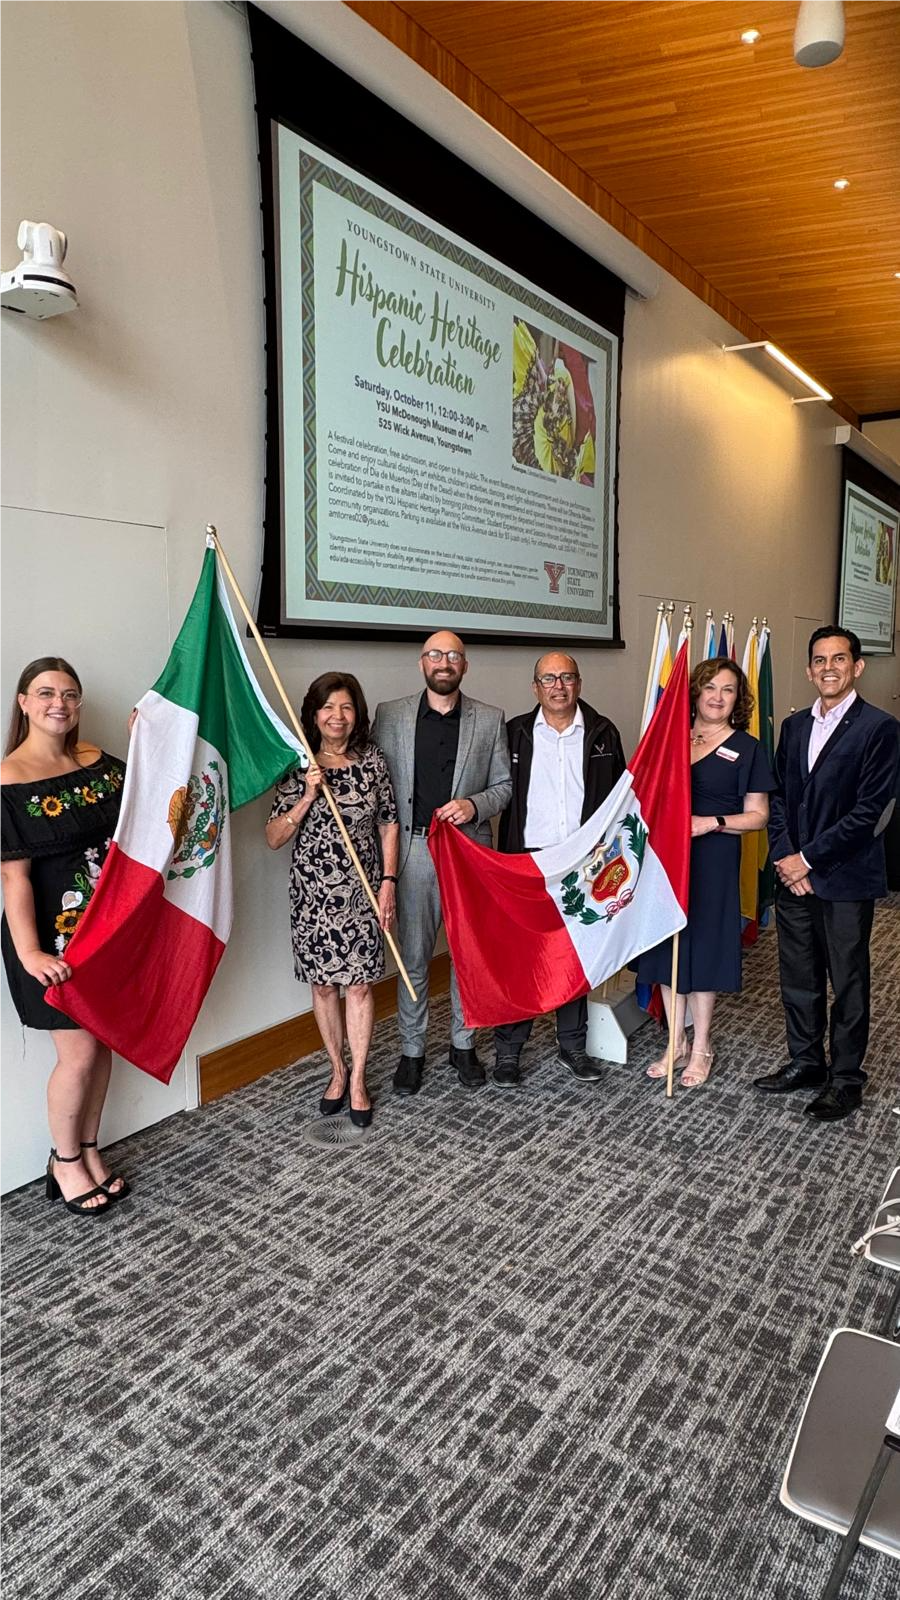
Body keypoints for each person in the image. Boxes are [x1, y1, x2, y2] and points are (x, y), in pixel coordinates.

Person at [754, 627, 900, 1121]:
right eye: (819, 660)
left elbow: (870, 813)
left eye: (839, 659)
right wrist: (786, 858)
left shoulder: (880, 728)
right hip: (793, 878)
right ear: (809, 669)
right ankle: (806, 1062)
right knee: (799, 977)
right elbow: (778, 798)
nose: (828, 668)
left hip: (845, 878)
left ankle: (846, 1080)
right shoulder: (794, 726)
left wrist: (809, 860)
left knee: (848, 981)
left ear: (857, 667)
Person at [0, 657, 128, 1217]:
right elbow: (14, 877)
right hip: (51, 941)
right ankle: (65, 1159)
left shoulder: (97, 761)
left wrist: (150, 738)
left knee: (103, 1046)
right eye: (47, 693)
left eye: (70, 694)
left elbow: (146, 807)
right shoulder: (8, 778)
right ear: (24, 702)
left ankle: (90, 1148)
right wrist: (29, 952)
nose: (60, 703)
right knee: (77, 1054)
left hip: (105, 934)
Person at [372, 631, 512, 1094]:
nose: (444, 662)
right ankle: (412, 1050)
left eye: (453, 655)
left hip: (468, 852)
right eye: (435, 654)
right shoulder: (389, 715)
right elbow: (373, 781)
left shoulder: (489, 718)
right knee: (413, 957)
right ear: (422, 663)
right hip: (412, 851)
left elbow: (504, 787)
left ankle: (462, 1044)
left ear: (465, 666)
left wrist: (474, 805)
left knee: (466, 956)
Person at [266, 673, 398, 1129]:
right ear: (314, 714)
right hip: (314, 896)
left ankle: (359, 1079)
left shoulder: (373, 760)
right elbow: (273, 838)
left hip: (363, 891)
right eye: (328, 707)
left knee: (359, 986)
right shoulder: (298, 765)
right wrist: (307, 795)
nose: (337, 716)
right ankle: (337, 1071)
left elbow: (388, 822)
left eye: (345, 707)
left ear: (356, 713)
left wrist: (388, 881)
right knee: (324, 986)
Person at [637, 657, 773, 1087]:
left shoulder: (747, 748)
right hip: (666, 858)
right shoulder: (669, 738)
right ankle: (675, 1042)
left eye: (728, 689)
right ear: (695, 692)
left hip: (713, 857)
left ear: (738, 698)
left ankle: (701, 1047)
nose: (717, 697)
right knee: (667, 947)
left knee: (705, 947)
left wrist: (710, 823)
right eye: (710, 687)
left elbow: (759, 816)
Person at [493, 650, 626, 1086]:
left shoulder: (604, 732)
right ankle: (509, 1051)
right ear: (535, 687)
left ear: (579, 684)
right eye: (549, 679)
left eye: (566, 677)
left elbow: (622, 799)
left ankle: (573, 1045)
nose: (558, 686)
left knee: (573, 955)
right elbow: (495, 790)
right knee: (522, 957)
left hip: (582, 861)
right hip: (527, 861)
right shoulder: (514, 733)